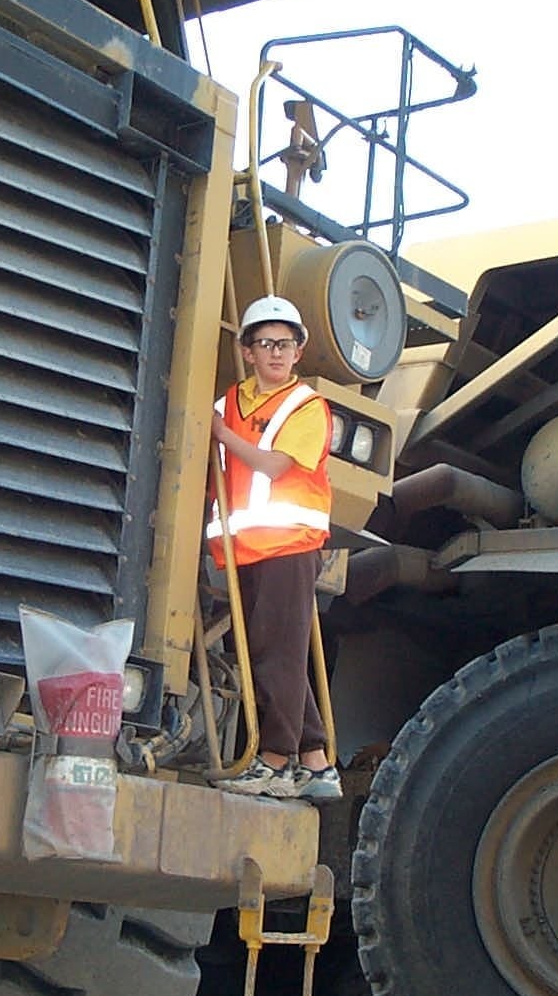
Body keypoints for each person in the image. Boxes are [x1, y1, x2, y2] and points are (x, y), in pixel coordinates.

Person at [206, 295, 342, 802]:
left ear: (298, 351)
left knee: (276, 657)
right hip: (246, 550)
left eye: (286, 344)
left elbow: (274, 467)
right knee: (275, 653)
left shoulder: (307, 406)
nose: (277, 353)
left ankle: (276, 761)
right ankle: (316, 761)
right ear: (247, 351)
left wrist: (221, 435)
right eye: (266, 343)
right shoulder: (227, 403)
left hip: (290, 545)